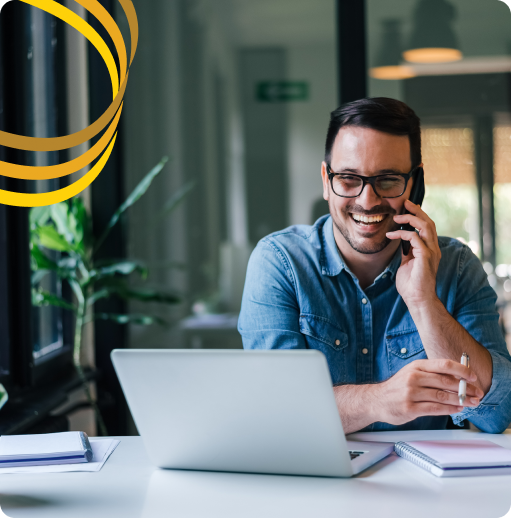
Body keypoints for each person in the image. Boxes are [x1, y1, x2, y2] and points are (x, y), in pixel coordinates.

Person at [238, 97, 511, 434]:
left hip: (428, 484)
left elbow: (498, 415)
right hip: (317, 483)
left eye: (388, 180)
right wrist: (381, 400)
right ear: (326, 180)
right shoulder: (280, 262)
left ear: (414, 184)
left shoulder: (456, 266)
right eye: (349, 179)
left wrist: (423, 303)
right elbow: (275, 410)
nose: (368, 201)